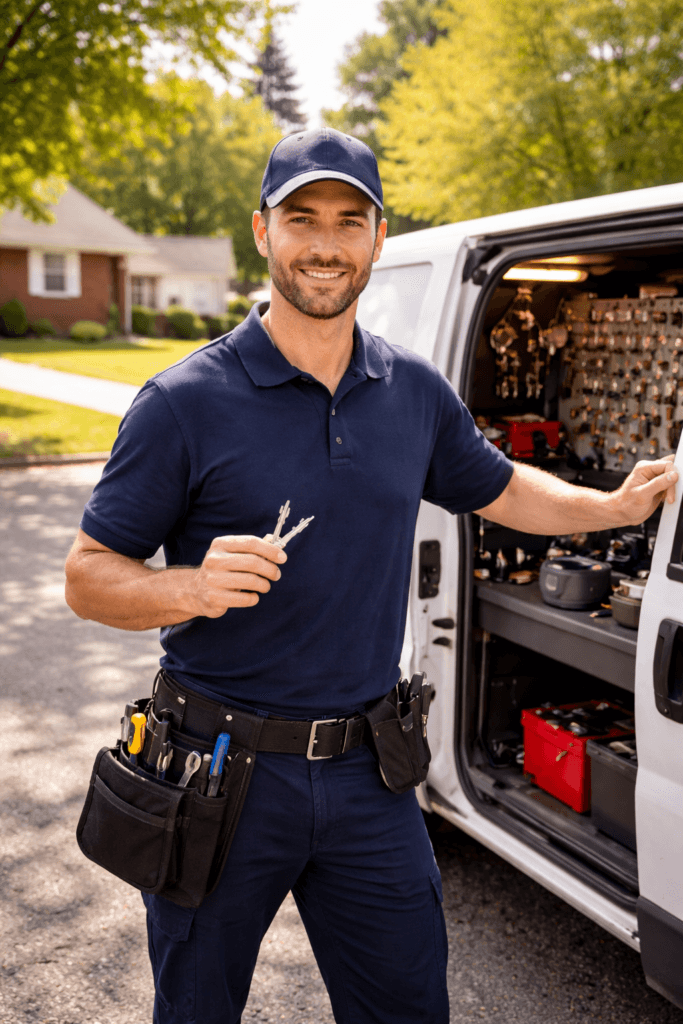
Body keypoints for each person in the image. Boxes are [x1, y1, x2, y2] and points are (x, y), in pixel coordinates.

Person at [65, 127, 678, 1024]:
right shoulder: (183, 404)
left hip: (369, 774)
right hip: (220, 771)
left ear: (377, 238)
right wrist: (187, 587)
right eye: (300, 218)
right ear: (261, 231)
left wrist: (612, 508)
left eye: (349, 221)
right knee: (195, 1010)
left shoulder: (413, 391)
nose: (325, 242)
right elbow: (87, 578)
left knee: (406, 1009)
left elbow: (502, 490)